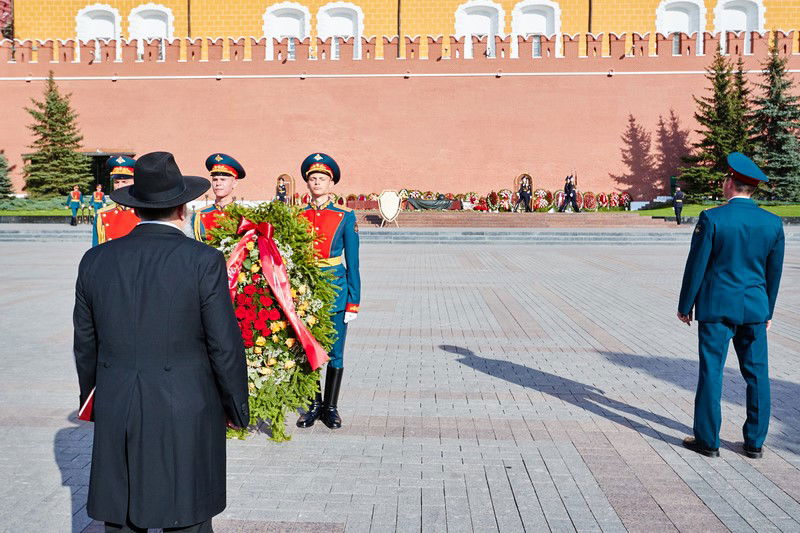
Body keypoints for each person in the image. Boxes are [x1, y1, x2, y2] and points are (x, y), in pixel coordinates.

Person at [73, 151, 249, 532]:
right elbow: (224, 343)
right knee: (186, 515)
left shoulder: (95, 260)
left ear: (135, 209)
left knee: (123, 515)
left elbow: (85, 343)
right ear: (183, 209)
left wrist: (94, 397)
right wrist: (235, 404)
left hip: (119, 399)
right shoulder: (203, 260)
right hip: (186, 403)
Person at [678, 152, 784, 459]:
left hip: (716, 308)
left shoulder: (713, 218)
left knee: (712, 372)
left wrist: (686, 305)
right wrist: (768, 312)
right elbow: (772, 275)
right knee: (757, 374)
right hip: (754, 309)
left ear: (729, 184)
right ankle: (754, 442)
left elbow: (696, 265)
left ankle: (708, 441)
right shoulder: (772, 224)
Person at [296, 153, 360, 430]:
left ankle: (330, 407)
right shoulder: (298, 216)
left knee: (335, 352)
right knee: (308, 350)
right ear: (307, 184)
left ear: (331, 183)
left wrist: (353, 301)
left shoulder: (345, 216)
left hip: (334, 291)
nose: (317, 182)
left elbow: (353, 263)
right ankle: (312, 405)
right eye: (313, 178)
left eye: (322, 178)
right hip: (304, 292)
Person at [193, 153, 246, 241]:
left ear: (234, 183)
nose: (218, 184)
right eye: (215, 179)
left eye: (223, 179)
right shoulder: (199, 216)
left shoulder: (243, 215)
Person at [93, 156, 140, 247]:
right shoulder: (102, 215)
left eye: (124, 182)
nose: (119, 186)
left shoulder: (145, 213)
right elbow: (96, 250)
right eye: (116, 182)